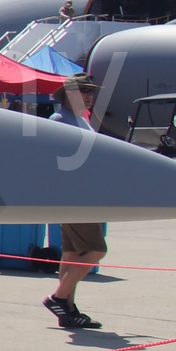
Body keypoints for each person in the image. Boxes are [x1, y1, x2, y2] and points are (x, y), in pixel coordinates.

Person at [44, 76, 103, 329]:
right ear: (68, 95)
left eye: (90, 92)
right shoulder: (59, 121)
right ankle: (58, 298)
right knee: (96, 250)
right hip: (74, 196)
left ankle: (67, 310)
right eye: (82, 92)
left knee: (71, 253)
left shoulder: (82, 120)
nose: (88, 96)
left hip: (80, 194)